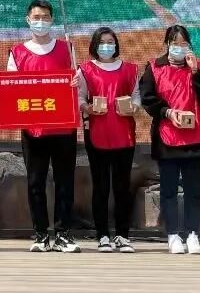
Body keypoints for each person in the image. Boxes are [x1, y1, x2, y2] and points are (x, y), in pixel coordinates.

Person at [3, 0, 81, 253]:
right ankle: (40, 234)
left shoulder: (67, 48)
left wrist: (77, 81)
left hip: (63, 127)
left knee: (64, 181)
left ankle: (63, 234)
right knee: (35, 182)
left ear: (52, 19)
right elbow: (11, 88)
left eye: (45, 17)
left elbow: (79, 86)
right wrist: (0, 87)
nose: (40, 21)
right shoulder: (18, 52)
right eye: (36, 17)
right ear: (28, 19)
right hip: (33, 128)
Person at [139, 24, 200, 256]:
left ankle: (192, 234)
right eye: (175, 43)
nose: (179, 47)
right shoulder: (154, 67)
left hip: (194, 136)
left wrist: (196, 71)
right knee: (169, 189)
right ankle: (172, 234)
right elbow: (148, 99)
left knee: (193, 190)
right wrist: (168, 112)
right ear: (167, 44)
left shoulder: (198, 67)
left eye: (184, 43)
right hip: (167, 137)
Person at [76, 27, 139, 254]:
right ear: (95, 45)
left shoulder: (130, 69)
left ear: (116, 44)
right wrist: (87, 108)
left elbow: (136, 96)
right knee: (101, 186)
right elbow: (79, 97)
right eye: (102, 42)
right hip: (97, 133)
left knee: (122, 187)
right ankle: (102, 235)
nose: (106, 46)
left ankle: (123, 235)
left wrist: (134, 107)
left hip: (124, 134)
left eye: (110, 41)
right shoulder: (85, 70)